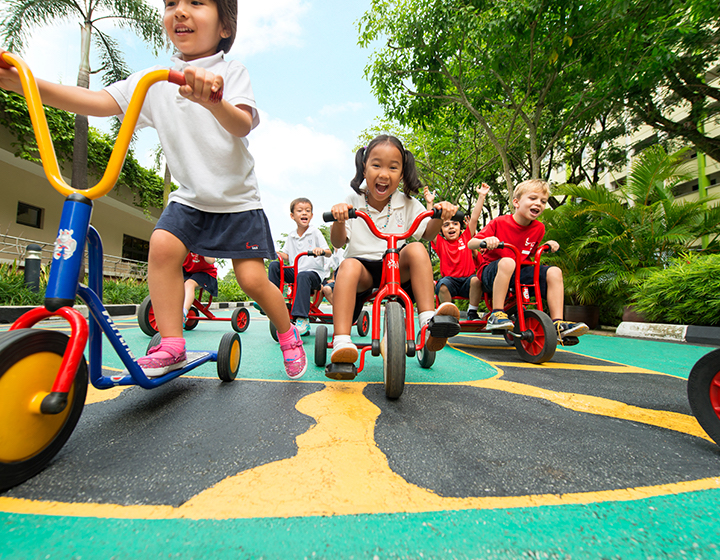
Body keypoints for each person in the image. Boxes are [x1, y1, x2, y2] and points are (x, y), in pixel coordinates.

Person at [0, 0, 307, 379]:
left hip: (236, 201)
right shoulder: (153, 79)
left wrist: (214, 101)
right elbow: (97, 103)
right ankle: (172, 342)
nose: (180, 11)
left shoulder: (230, 71)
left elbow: (242, 124)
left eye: (196, 3)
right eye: (171, 3)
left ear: (225, 26)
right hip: (191, 197)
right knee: (162, 248)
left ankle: (286, 330)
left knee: (253, 280)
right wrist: (25, 81)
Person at [329, 134, 461, 364]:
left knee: (417, 249)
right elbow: (338, 243)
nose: (383, 174)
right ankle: (341, 342)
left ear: (401, 174)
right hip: (364, 270)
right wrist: (339, 219)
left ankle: (429, 323)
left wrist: (441, 215)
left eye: (393, 167)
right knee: (348, 265)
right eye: (376, 165)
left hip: (395, 266)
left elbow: (427, 233)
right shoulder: (353, 199)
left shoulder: (407, 202)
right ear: (364, 167)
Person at [468, 179, 588, 345]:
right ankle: (497, 313)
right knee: (509, 261)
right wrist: (487, 240)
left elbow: (530, 255)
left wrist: (548, 244)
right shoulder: (500, 222)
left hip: (519, 272)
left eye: (543, 201)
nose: (538, 203)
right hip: (492, 274)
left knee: (554, 272)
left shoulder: (539, 228)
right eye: (532, 198)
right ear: (516, 202)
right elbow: (470, 243)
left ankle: (558, 323)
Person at [424, 183, 490, 321]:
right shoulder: (441, 243)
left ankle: (472, 313)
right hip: (450, 281)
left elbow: (474, 218)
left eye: (455, 224)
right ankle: (448, 314)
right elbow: (431, 225)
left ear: (460, 227)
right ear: (441, 230)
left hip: (467, 280)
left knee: (477, 280)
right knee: (442, 285)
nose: (451, 227)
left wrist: (482, 196)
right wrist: (429, 203)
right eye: (446, 225)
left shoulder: (466, 238)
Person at [268, 197, 331, 336]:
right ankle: (270, 298)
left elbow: (328, 252)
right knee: (275, 265)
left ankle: (302, 318)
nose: (304, 213)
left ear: (312, 215)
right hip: (296, 271)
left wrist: (319, 251)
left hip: (313, 274)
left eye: (307, 211)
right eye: (300, 211)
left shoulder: (314, 232)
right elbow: (286, 255)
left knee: (303, 276)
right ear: (292, 216)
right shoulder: (291, 236)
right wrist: (274, 253)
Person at [182, 253, 217, 322]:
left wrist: (200, 247)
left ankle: (183, 314)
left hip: (206, 273)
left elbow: (211, 260)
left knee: (189, 284)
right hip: (188, 273)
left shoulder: (201, 243)